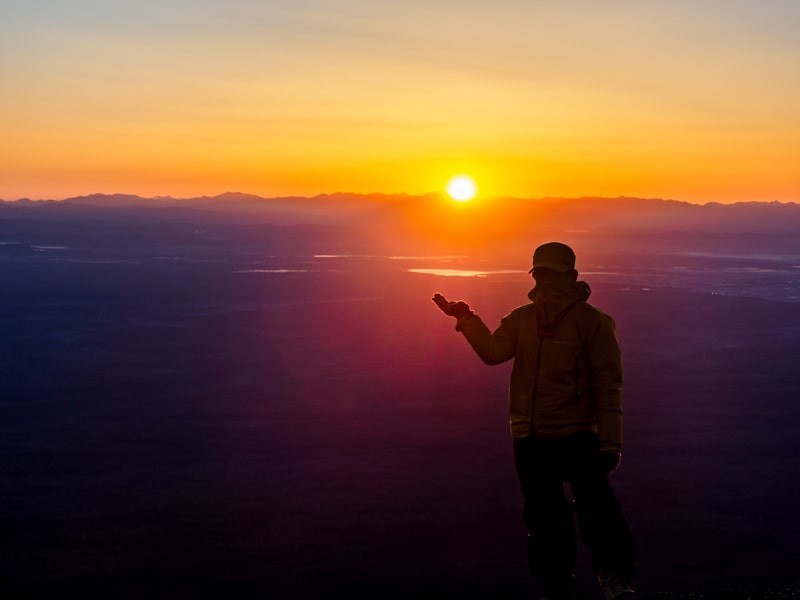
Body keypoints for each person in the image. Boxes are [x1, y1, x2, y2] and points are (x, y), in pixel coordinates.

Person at [432, 242, 636, 600]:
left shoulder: (594, 324)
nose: (544, 281)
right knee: (545, 521)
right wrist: (466, 319)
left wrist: (610, 442)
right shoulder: (522, 319)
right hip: (530, 438)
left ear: (571, 276)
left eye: (551, 274)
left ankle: (616, 582)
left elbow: (608, 386)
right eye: (539, 273)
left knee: (598, 513)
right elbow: (495, 353)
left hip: (578, 436)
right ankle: (558, 589)